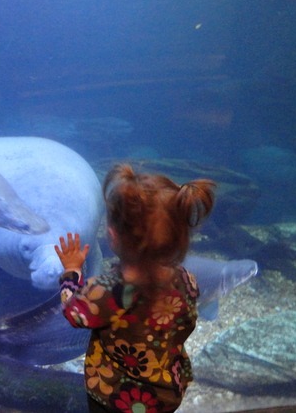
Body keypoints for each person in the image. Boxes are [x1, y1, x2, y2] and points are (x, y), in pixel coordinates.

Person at [54, 163, 216, 412]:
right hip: (166, 393)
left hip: (115, 396)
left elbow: (73, 312)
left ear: (112, 235)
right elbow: (186, 324)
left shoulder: (105, 290)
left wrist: (71, 273)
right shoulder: (187, 280)